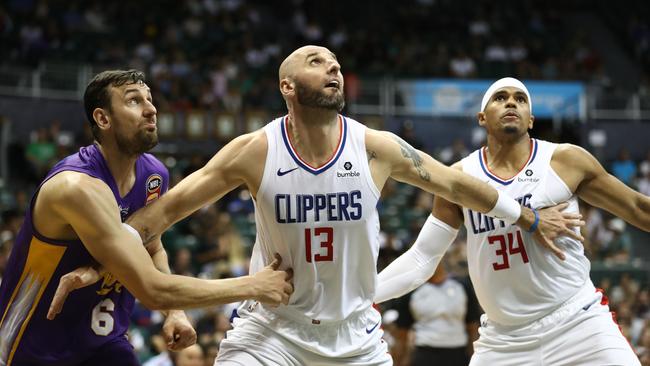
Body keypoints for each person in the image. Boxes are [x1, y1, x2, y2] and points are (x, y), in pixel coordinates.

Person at [52, 48, 579, 365]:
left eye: (335, 64)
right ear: (287, 85)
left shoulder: (376, 146)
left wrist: (528, 217)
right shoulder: (254, 150)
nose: (332, 68)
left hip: (355, 339)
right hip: (272, 333)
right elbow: (156, 218)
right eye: (316, 62)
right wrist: (99, 263)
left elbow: (461, 187)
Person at [0, 70, 293, 366]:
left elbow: (152, 246)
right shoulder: (76, 187)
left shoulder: (154, 174)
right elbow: (152, 290)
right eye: (134, 101)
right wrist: (254, 286)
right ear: (103, 119)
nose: (151, 109)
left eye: (150, 100)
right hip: (34, 347)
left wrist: (175, 312)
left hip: (105, 341)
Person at [376, 77, 647, 365]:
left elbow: (636, 207)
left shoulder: (565, 161)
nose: (511, 103)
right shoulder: (460, 177)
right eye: (500, 97)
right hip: (504, 340)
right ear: (482, 117)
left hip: (577, 323)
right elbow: (422, 258)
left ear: (531, 119)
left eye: (520, 99)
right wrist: (364, 296)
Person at [391, 263, 480, 366]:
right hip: (425, 354)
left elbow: (472, 328)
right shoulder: (410, 292)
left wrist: (475, 359)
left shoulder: (462, 286)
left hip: (458, 354)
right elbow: (402, 336)